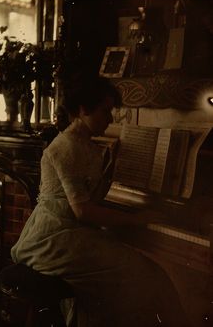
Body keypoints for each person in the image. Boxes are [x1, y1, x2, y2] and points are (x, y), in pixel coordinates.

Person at [11, 75, 191, 327]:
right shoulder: (67, 147)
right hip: (55, 238)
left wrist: (109, 171)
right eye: (105, 111)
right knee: (145, 274)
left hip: (71, 232)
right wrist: (136, 219)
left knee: (140, 276)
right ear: (83, 110)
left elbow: (88, 199)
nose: (110, 119)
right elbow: (83, 211)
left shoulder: (87, 145)